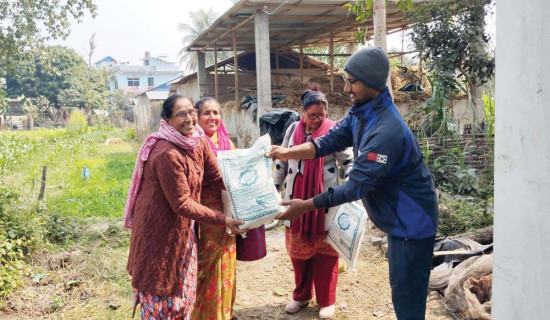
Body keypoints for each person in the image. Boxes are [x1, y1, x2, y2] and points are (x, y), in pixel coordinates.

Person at [267, 47, 439, 320]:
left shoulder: (385, 130)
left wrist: (306, 206)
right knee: (401, 289)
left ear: (370, 81)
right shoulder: (362, 112)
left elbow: (356, 187)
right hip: (398, 221)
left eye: (351, 81)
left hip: (412, 221)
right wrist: (286, 152)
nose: (347, 88)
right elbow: (328, 141)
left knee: (407, 296)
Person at [124, 95, 245, 320]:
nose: (189, 118)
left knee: (184, 296)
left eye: (191, 111)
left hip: (183, 231)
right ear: (167, 120)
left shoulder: (197, 140)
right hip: (158, 236)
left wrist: (248, 187)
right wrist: (224, 220)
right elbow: (182, 203)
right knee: (160, 295)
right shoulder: (166, 152)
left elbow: (215, 175)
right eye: (181, 114)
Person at [272, 84, 353, 319]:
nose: (318, 119)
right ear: (303, 112)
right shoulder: (291, 131)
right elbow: (281, 163)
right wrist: (275, 189)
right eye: (313, 114)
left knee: (326, 254)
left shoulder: (334, 131)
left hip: (325, 202)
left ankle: (327, 300)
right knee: (298, 253)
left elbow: (349, 161)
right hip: (294, 201)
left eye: (322, 114)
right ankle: (301, 295)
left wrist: (350, 187)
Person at [191, 97, 238, 320]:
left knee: (226, 261)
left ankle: (225, 312)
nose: (213, 117)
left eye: (216, 113)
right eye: (207, 113)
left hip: (229, 211)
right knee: (205, 266)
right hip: (205, 214)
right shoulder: (192, 144)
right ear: (197, 117)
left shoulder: (227, 143)